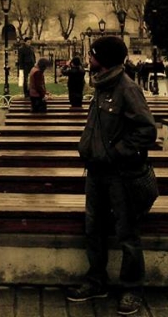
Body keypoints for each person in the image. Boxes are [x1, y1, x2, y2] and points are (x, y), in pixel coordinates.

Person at [67, 35, 157, 315]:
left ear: (103, 59)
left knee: (126, 232)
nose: (89, 58)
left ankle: (132, 287)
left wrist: (116, 153)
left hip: (120, 174)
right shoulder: (101, 86)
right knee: (93, 228)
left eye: (92, 54)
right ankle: (96, 280)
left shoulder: (126, 89)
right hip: (96, 172)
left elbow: (146, 130)